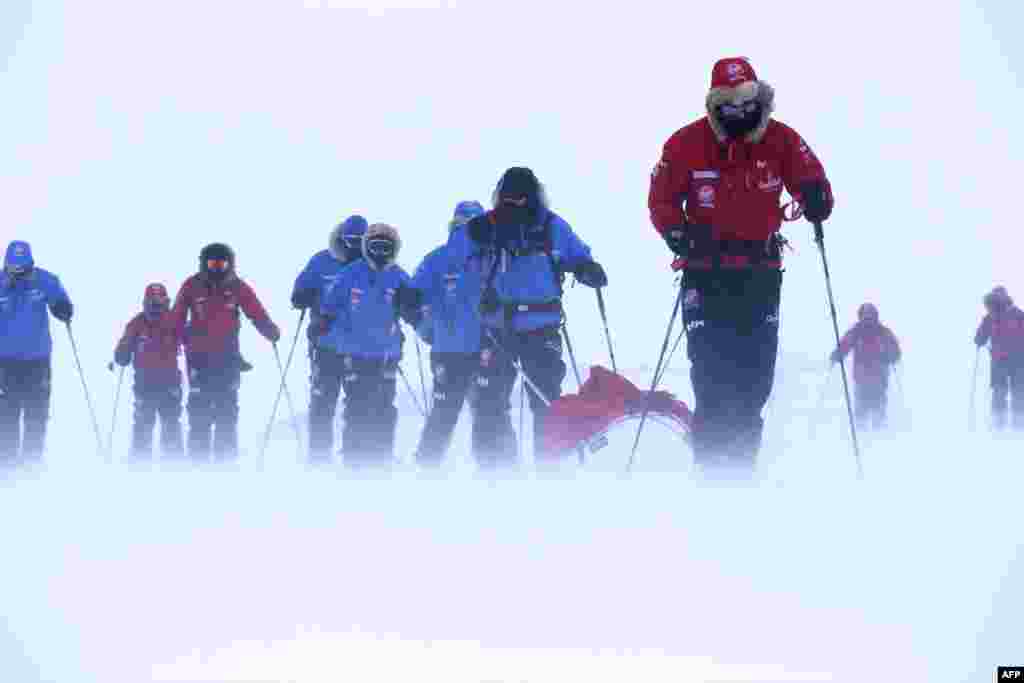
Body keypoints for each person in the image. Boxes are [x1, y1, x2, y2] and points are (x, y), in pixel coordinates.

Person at [648, 56, 833, 469]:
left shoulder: (781, 139)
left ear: (759, 98)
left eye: (746, 100)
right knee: (712, 374)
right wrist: (674, 231)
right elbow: (661, 196)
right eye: (727, 104)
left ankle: (741, 470)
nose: (738, 111)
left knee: (754, 377)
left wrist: (816, 195)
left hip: (760, 273)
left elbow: (810, 175)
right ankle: (712, 470)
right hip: (704, 273)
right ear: (714, 105)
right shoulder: (685, 143)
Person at [459, 167, 606, 465]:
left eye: (520, 199)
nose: (513, 205)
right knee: (489, 403)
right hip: (497, 330)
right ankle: (497, 472)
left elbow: (577, 254)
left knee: (547, 403)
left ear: (532, 198)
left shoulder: (552, 227)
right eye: (508, 199)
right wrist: (472, 237)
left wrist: (586, 268)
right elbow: (459, 259)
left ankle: (549, 470)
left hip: (542, 329)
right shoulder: (486, 226)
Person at [317, 223, 418, 464]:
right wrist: (322, 322)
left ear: (393, 249)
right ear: (366, 247)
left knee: (384, 406)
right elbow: (331, 304)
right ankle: (355, 457)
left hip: (387, 352)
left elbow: (414, 310)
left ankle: (381, 455)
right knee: (357, 406)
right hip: (355, 352)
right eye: (375, 246)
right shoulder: (350, 274)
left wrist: (412, 306)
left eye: (386, 247)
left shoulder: (399, 276)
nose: (380, 252)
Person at [171, 243, 281, 460]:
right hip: (199, 359)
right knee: (199, 410)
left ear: (230, 264)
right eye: (212, 263)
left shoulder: (237, 287)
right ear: (204, 263)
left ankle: (226, 459)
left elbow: (255, 310)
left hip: (228, 358)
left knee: (226, 410)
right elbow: (177, 317)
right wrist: (184, 340)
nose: (217, 268)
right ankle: (198, 460)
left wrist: (269, 329)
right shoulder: (192, 285)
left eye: (222, 264)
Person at [410, 200, 490, 465]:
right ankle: (495, 473)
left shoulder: (490, 256)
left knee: (466, 414)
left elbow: (410, 300)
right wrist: (427, 330)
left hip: (476, 349)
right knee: (482, 415)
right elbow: (411, 299)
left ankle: (493, 471)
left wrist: (427, 331)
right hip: (460, 350)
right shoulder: (437, 261)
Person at [291, 215, 369, 461]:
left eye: (359, 240)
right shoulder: (322, 261)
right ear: (341, 238)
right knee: (322, 404)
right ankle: (318, 457)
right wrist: (304, 295)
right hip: (325, 346)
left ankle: (354, 457)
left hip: (362, 348)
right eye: (349, 240)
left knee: (358, 406)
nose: (354, 245)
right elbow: (297, 293)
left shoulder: (373, 263)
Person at [0, 241, 73, 465]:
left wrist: (62, 307)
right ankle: (7, 464)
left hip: (37, 361)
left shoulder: (43, 280)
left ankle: (32, 463)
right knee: (6, 415)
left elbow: (60, 297)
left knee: (36, 413)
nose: (18, 275)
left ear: (30, 264)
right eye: (13, 270)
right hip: (5, 362)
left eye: (22, 270)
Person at [112, 283, 184, 458]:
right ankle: (139, 470)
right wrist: (122, 353)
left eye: (161, 302)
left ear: (167, 302)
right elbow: (124, 346)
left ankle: (175, 470)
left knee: (171, 430)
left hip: (170, 385)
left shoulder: (175, 321)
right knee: (142, 432)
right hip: (145, 386)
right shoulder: (136, 324)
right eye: (153, 302)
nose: (157, 307)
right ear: (146, 303)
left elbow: (193, 341)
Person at [830, 303, 901, 430]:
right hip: (863, 379)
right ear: (861, 316)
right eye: (865, 316)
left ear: (875, 317)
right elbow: (845, 345)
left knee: (876, 413)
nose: (868, 319)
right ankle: (864, 437)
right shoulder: (858, 332)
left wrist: (891, 356)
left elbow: (896, 352)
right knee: (862, 413)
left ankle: (877, 436)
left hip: (878, 379)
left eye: (870, 316)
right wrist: (838, 354)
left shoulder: (881, 332)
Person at [975, 286, 1024, 430]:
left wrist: (979, 340)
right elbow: (981, 335)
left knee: (1000, 391)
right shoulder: (1018, 314)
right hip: (1018, 359)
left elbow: (980, 337)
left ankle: (999, 424)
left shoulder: (991, 315)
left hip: (1000, 360)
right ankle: (1018, 424)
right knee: (1018, 390)